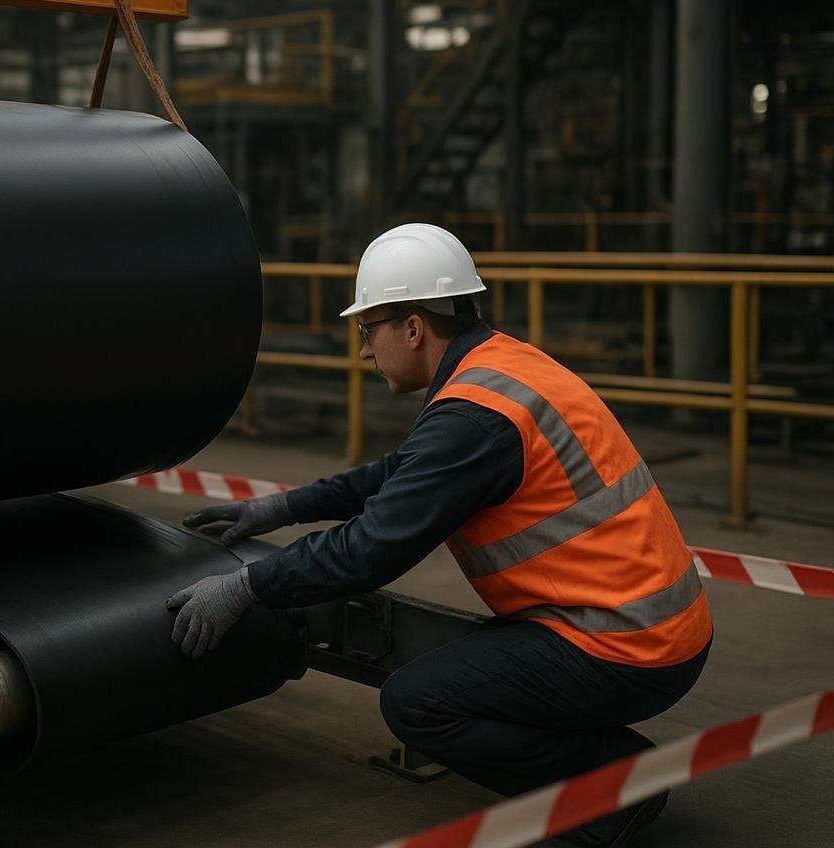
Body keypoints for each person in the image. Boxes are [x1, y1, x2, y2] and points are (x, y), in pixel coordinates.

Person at [166, 223, 712, 848]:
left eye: (368, 330)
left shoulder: (472, 419)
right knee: (458, 669)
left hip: (626, 647)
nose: (365, 352)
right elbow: (402, 472)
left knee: (418, 702)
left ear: (414, 327)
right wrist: (285, 506)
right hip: (652, 623)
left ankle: (609, 793)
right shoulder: (500, 367)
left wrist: (247, 585)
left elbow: (368, 551)